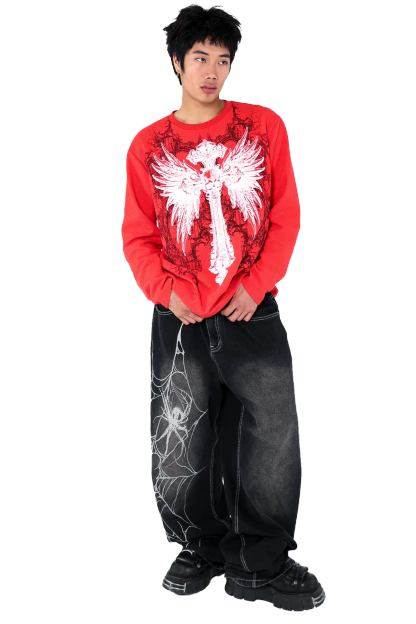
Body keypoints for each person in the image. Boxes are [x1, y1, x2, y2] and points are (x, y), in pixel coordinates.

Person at [122, 1, 325, 612]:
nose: (212, 71)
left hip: (251, 309)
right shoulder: (148, 146)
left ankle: (261, 560)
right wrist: (165, 291)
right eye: (200, 58)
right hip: (181, 315)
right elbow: (138, 235)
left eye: (223, 59)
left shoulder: (261, 127)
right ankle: (199, 547)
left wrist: (257, 283)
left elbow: (285, 212)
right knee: (183, 434)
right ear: (176, 62)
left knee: (270, 434)